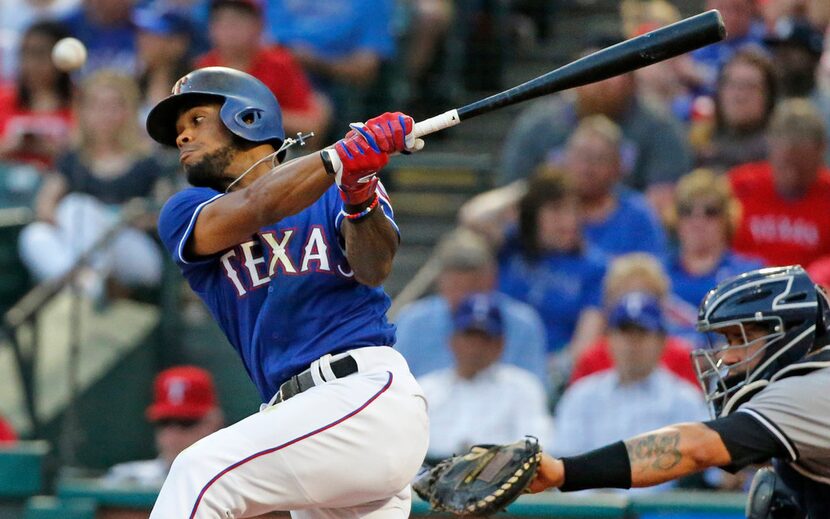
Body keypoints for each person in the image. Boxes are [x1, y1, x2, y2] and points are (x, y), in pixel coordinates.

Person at [148, 66, 427, 517]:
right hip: (299, 423)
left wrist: (358, 191)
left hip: (362, 398)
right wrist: (340, 157)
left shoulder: (337, 185)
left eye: (196, 120)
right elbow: (256, 203)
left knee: (200, 471)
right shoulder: (186, 211)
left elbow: (374, 268)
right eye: (179, 131)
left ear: (248, 117)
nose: (182, 138)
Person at [529, 266, 830, 517]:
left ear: (789, 334)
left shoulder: (808, 390)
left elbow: (694, 447)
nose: (728, 357)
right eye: (727, 340)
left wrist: (564, 471)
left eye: (742, 338)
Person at [18, 70, 167, 295]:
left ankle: (85, 292)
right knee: (36, 234)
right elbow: (45, 207)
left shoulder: (148, 161)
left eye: (114, 106)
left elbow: (163, 215)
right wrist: (75, 223)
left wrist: (117, 219)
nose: (104, 114)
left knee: (78, 207)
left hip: (133, 249)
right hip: (83, 247)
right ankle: (88, 290)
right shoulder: (72, 158)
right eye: (96, 106)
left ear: (129, 110)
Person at [553, 291, 709, 493]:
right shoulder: (581, 395)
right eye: (624, 333)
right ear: (608, 339)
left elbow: (704, 474)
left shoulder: (684, 399)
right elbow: (563, 464)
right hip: (590, 511)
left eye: (642, 334)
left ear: (662, 341)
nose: (632, 344)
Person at [394, 228, 549, 386]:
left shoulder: (523, 323)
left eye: (473, 287)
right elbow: (396, 386)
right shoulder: (413, 322)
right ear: (441, 282)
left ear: (492, 280)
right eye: (455, 286)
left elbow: (535, 389)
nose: (463, 297)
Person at [417, 293, 553, 461]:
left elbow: (535, 447)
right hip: (431, 478)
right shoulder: (425, 388)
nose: (476, 347)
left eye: (485, 339)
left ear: (500, 344)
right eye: (469, 337)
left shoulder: (522, 387)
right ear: (452, 340)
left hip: (498, 480)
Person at [195, 0, 330, 142]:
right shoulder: (204, 68)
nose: (229, 30)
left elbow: (311, 125)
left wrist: (256, 115)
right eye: (221, 21)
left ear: (259, 25)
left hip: (275, 153)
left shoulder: (279, 64)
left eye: (238, 21)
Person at [664, 169, 763, 347]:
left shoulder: (748, 276)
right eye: (687, 211)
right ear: (676, 218)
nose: (698, 220)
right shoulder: (657, 275)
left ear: (727, 218)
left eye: (710, 212)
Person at [569, 253, 699, 388]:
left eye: (644, 295)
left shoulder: (681, 358)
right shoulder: (591, 359)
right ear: (610, 303)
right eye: (625, 295)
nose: (634, 307)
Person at [728, 98, 830, 267]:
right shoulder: (740, 186)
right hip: (745, 285)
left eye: (800, 162)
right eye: (785, 163)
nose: (792, 174)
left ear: (820, 152)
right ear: (770, 146)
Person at [104, 366, 223, 488]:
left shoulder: (232, 480)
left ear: (214, 423)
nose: (173, 435)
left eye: (186, 422)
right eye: (165, 422)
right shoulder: (127, 480)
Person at [0, 20, 75, 170]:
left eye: (39, 54)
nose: (30, 63)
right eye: (24, 53)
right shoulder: (3, 99)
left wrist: (49, 149)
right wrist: (10, 146)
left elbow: (92, 158)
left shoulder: (80, 104)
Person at [694, 48, 778, 172]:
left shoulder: (778, 151)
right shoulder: (698, 141)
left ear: (769, 96)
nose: (739, 96)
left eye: (750, 87)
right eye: (732, 85)